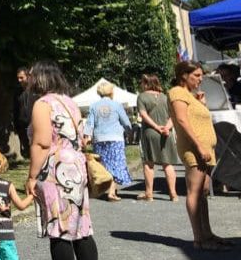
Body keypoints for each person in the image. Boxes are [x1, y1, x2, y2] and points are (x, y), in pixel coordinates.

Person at [26, 61, 100, 260]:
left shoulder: (42, 104)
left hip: (56, 168)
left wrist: (31, 176)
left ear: (39, 80)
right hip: (77, 165)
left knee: (60, 228)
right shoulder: (69, 102)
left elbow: (42, 143)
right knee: (82, 228)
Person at [169, 60, 228, 250]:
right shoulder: (177, 92)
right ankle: (199, 239)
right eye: (196, 75)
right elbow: (182, 121)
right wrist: (199, 147)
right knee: (195, 192)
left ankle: (207, 234)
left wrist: (201, 103)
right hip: (195, 150)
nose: (200, 79)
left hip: (205, 149)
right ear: (183, 75)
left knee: (203, 191)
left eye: (201, 75)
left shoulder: (191, 95)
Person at [83, 82, 132, 201]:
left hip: (99, 139)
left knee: (104, 165)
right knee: (116, 164)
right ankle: (111, 192)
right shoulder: (116, 105)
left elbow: (90, 123)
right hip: (115, 138)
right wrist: (130, 132)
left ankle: (108, 189)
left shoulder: (94, 106)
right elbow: (125, 122)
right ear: (111, 92)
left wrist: (87, 137)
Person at [136, 74, 178, 202]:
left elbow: (143, 115)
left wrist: (156, 127)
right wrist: (166, 127)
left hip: (150, 132)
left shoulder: (142, 97)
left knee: (149, 163)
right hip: (167, 132)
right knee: (168, 164)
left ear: (145, 83)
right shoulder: (165, 97)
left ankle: (149, 194)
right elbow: (173, 115)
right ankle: (173, 194)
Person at [13, 68, 35, 160]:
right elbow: (15, 108)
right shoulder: (17, 92)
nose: (19, 80)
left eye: (21, 77)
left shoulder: (35, 91)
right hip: (22, 124)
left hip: (33, 122)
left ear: (28, 77)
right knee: (27, 148)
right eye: (18, 78)